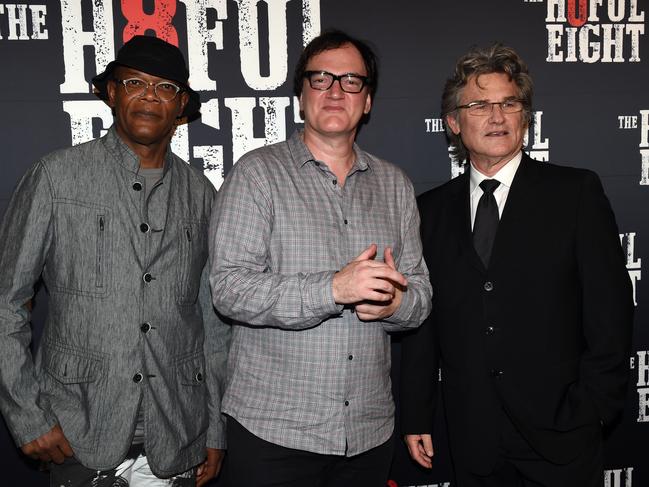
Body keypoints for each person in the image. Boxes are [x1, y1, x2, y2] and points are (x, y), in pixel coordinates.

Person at [400, 44, 634, 486]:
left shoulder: (575, 193)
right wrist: (417, 414)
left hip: (563, 436)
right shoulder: (428, 211)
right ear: (453, 122)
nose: (497, 116)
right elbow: (422, 322)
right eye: (479, 105)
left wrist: (594, 409)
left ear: (525, 117)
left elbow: (611, 311)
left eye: (509, 103)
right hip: (473, 437)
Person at [0, 35, 229, 486]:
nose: (149, 95)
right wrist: (26, 415)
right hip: (79, 430)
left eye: (165, 87)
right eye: (134, 83)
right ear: (111, 92)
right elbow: (6, 303)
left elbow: (213, 321)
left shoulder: (201, 194)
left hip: (178, 434)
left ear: (181, 105)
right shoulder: (54, 177)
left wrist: (215, 428)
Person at [209, 30, 431, 486]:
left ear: (366, 101)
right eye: (321, 78)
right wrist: (333, 289)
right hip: (274, 434)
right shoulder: (257, 175)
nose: (334, 91)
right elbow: (229, 289)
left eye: (351, 81)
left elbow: (421, 294)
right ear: (301, 94)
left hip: (368, 436)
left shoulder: (395, 185)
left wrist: (394, 306)